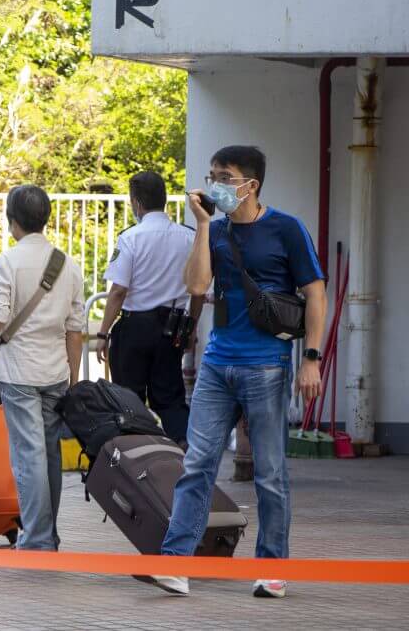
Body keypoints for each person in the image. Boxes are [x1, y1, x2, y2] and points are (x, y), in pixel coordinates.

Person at [145, 146, 326, 599]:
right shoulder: (215, 231)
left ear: (251, 185)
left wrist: (312, 358)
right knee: (197, 463)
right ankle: (175, 563)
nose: (215, 184)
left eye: (224, 176)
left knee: (269, 472)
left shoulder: (286, 229)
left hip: (266, 364)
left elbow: (316, 292)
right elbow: (197, 285)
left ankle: (271, 568)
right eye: (212, 175)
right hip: (216, 364)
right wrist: (204, 227)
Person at [0, 185, 85, 551]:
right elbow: (76, 330)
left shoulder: (8, 262)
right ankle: (48, 534)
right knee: (49, 453)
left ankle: (38, 539)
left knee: (29, 456)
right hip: (55, 371)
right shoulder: (68, 264)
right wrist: (74, 377)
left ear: (12, 222)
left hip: (19, 373)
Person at [95, 171, 203, 444]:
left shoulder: (130, 238)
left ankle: (136, 453)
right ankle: (183, 449)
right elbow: (199, 290)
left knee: (128, 398)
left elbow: (118, 290)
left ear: (137, 203)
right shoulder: (188, 237)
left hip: (134, 328)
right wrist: (191, 326)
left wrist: (102, 333)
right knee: (169, 398)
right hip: (173, 327)